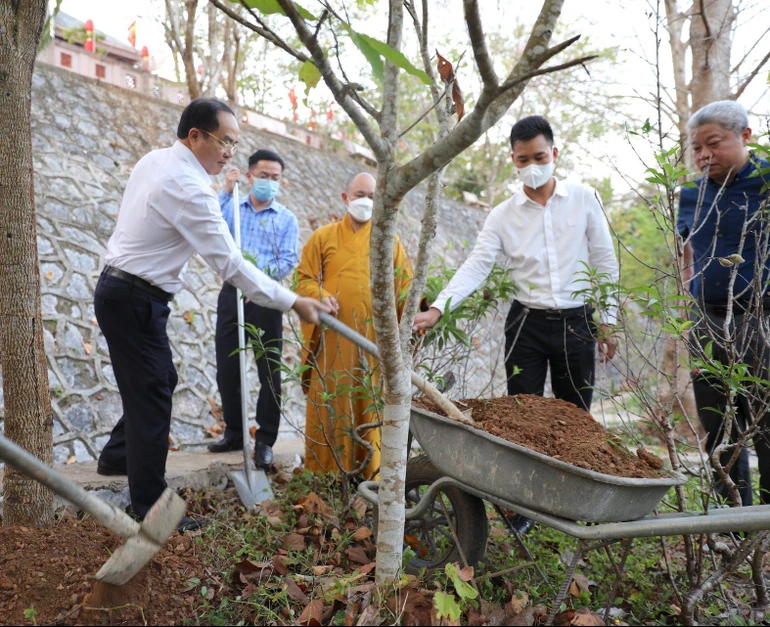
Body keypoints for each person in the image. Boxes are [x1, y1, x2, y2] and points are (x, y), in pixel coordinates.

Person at [94, 98, 330, 529]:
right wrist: (294, 301)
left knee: (160, 380)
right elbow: (231, 264)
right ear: (195, 135)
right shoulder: (188, 186)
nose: (228, 153)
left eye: (234, 145)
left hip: (126, 291)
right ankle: (150, 508)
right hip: (133, 296)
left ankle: (115, 458)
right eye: (224, 142)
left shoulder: (156, 160)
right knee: (152, 393)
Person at [413, 115, 619, 534]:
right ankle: (525, 506)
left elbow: (604, 259)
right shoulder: (503, 215)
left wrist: (608, 320)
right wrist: (437, 309)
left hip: (577, 322)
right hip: (526, 322)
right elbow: (477, 265)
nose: (533, 166)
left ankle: (571, 503)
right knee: (523, 415)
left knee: (575, 415)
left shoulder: (583, 199)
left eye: (540, 156)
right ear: (513, 160)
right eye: (523, 159)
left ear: (555, 153)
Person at [678, 100, 770, 506]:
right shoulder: (691, 194)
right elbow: (684, 254)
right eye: (696, 148)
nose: (703, 155)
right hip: (708, 323)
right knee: (718, 427)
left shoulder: (767, 180)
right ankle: (733, 523)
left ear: (744, 135)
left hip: (763, 322)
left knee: (766, 425)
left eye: (712, 143)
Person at [296, 172, 413, 479]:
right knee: (329, 402)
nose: (366, 202)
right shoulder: (322, 237)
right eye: (360, 195)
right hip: (332, 340)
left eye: (373, 197)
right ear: (345, 198)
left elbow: (406, 289)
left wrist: (422, 314)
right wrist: (320, 296)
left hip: (374, 344)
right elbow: (304, 279)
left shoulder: (390, 242)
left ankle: (369, 476)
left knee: (368, 402)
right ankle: (324, 475)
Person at [207, 149, 299, 470]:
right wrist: (224, 190)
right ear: (249, 176)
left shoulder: (286, 219)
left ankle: (265, 440)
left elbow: (287, 260)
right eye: (263, 176)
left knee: (269, 370)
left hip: (265, 298)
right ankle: (234, 432)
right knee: (227, 366)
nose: (269, 182)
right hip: (232, 294)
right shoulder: (233, 206)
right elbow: (211, 226)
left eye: (275, 178)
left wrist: (256, 283)